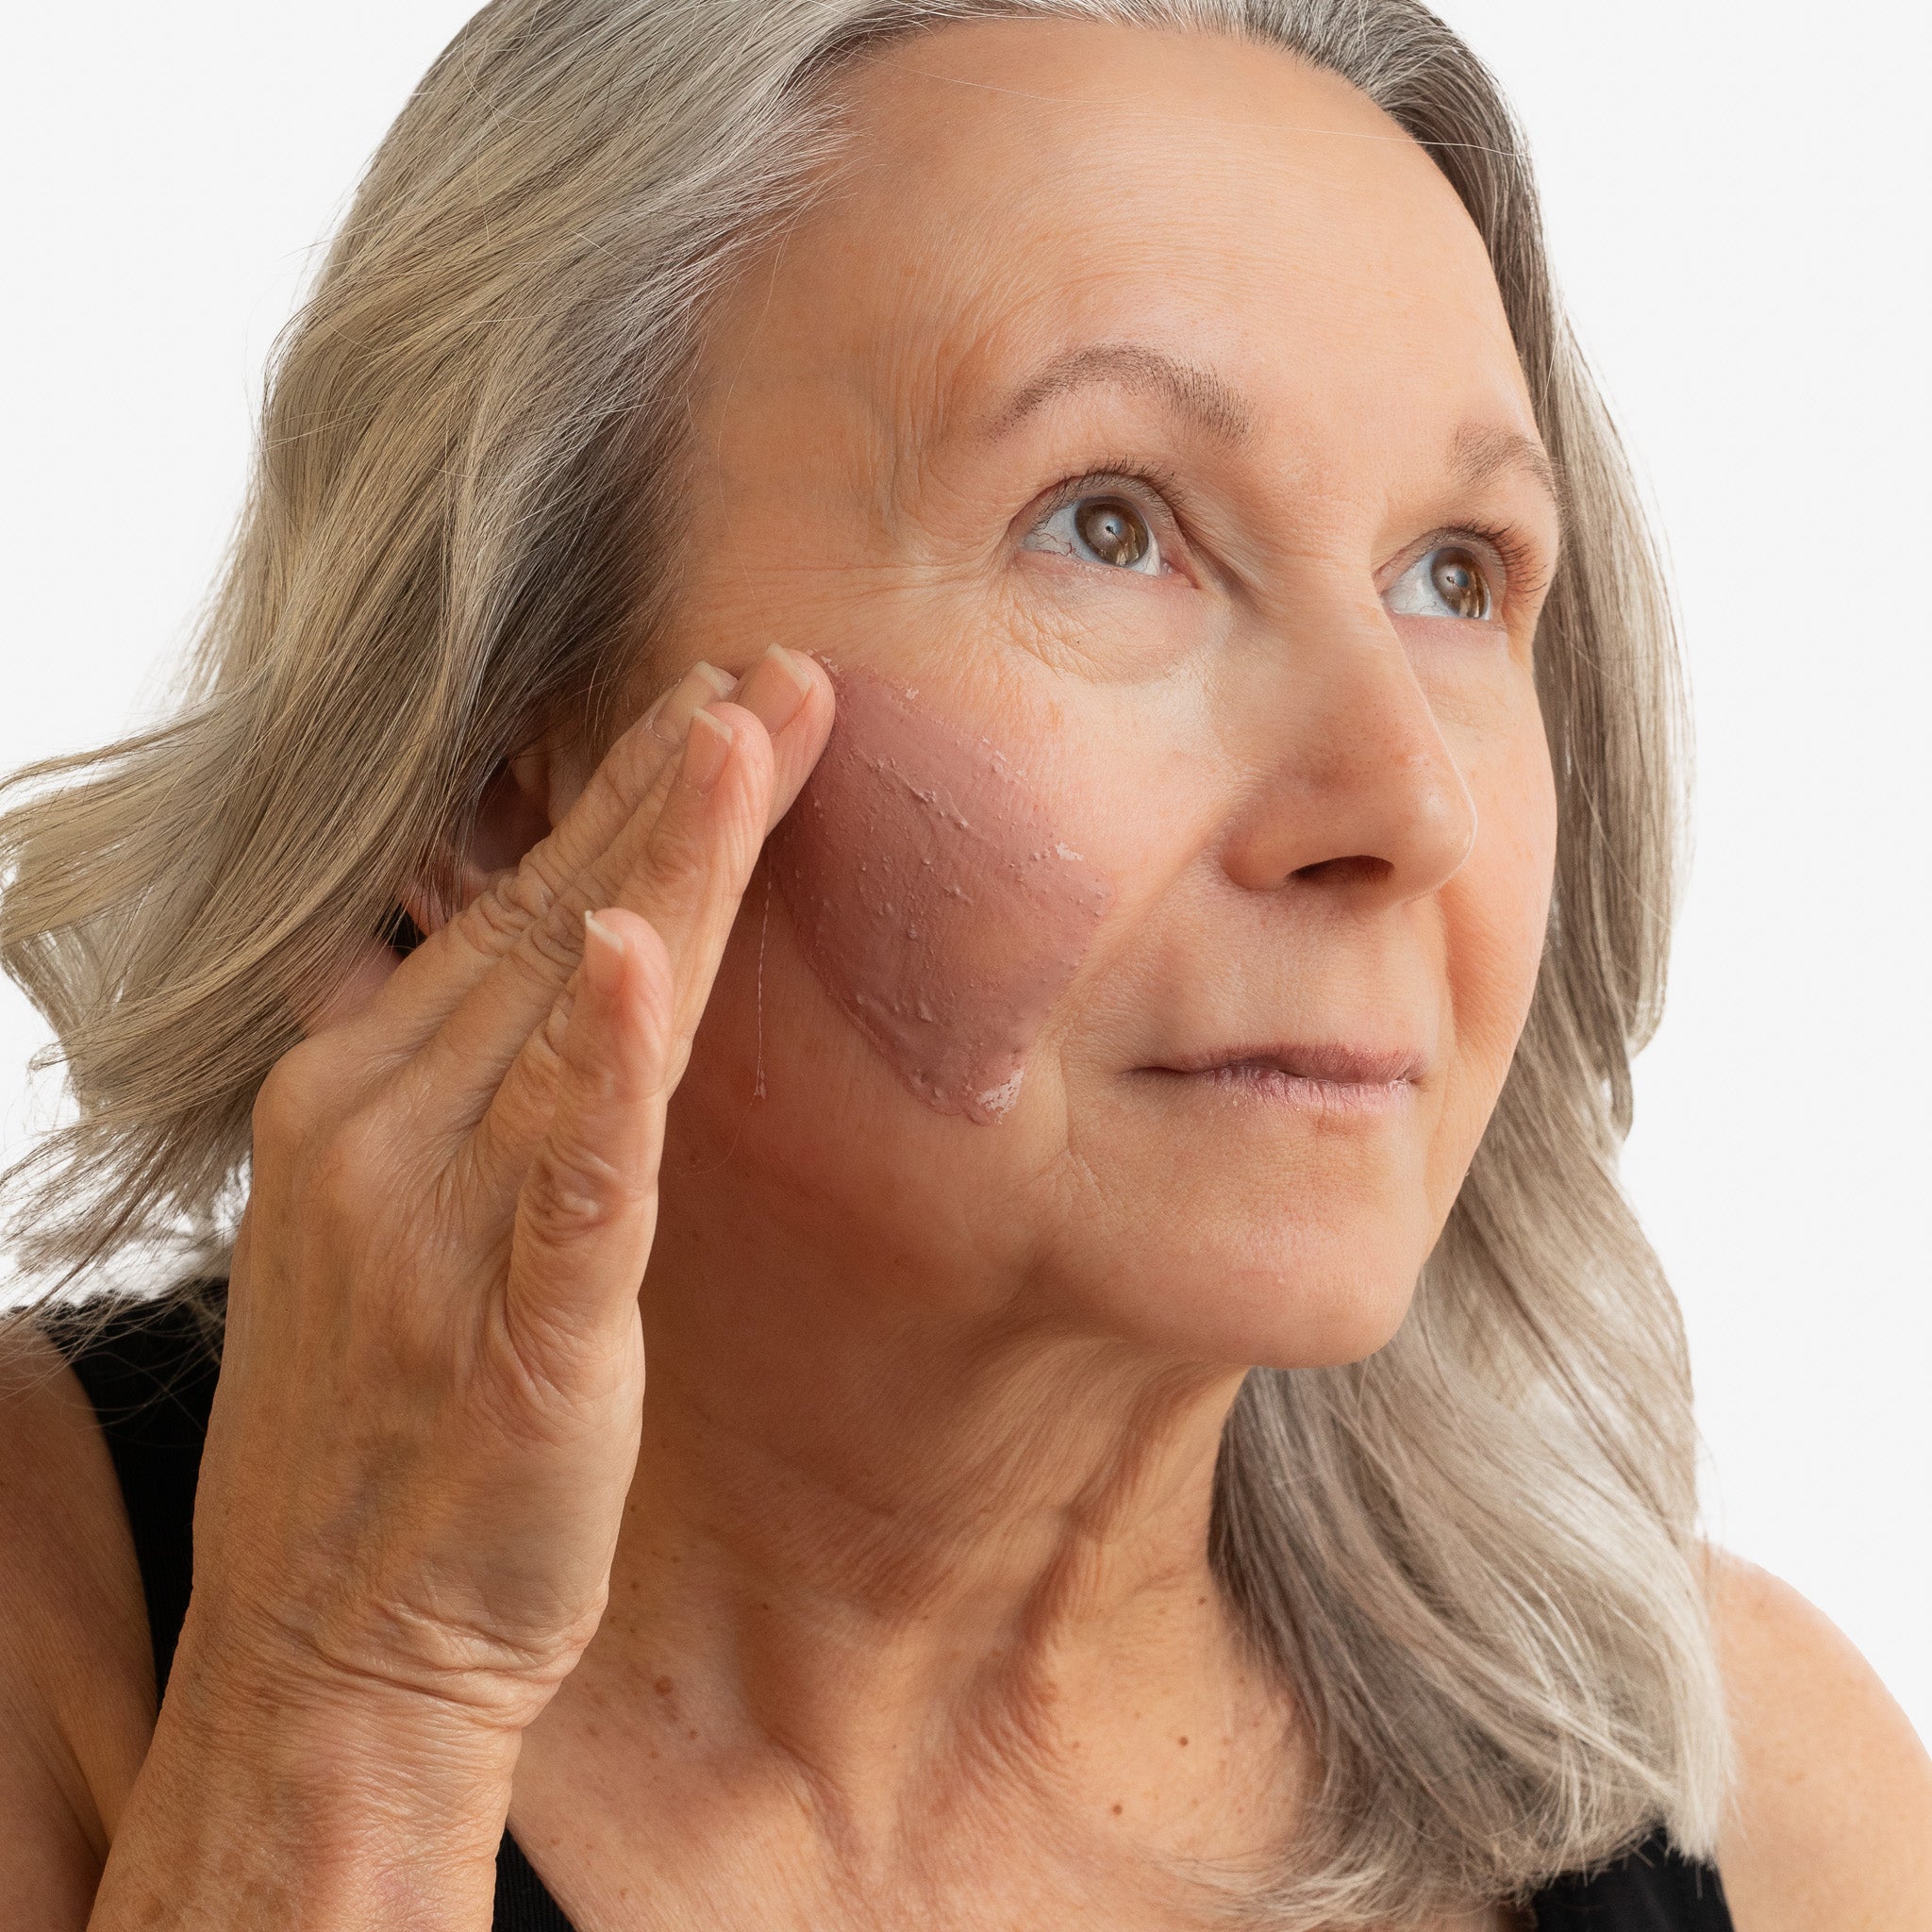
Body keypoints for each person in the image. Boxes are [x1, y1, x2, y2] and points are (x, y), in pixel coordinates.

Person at [1, 3, 1926, 1927]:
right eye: (1110, 527)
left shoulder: (1761, 1804)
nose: (1405, 801)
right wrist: (349, 1711)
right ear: (511, 759)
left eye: (1455, 573)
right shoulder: (48, 1632)